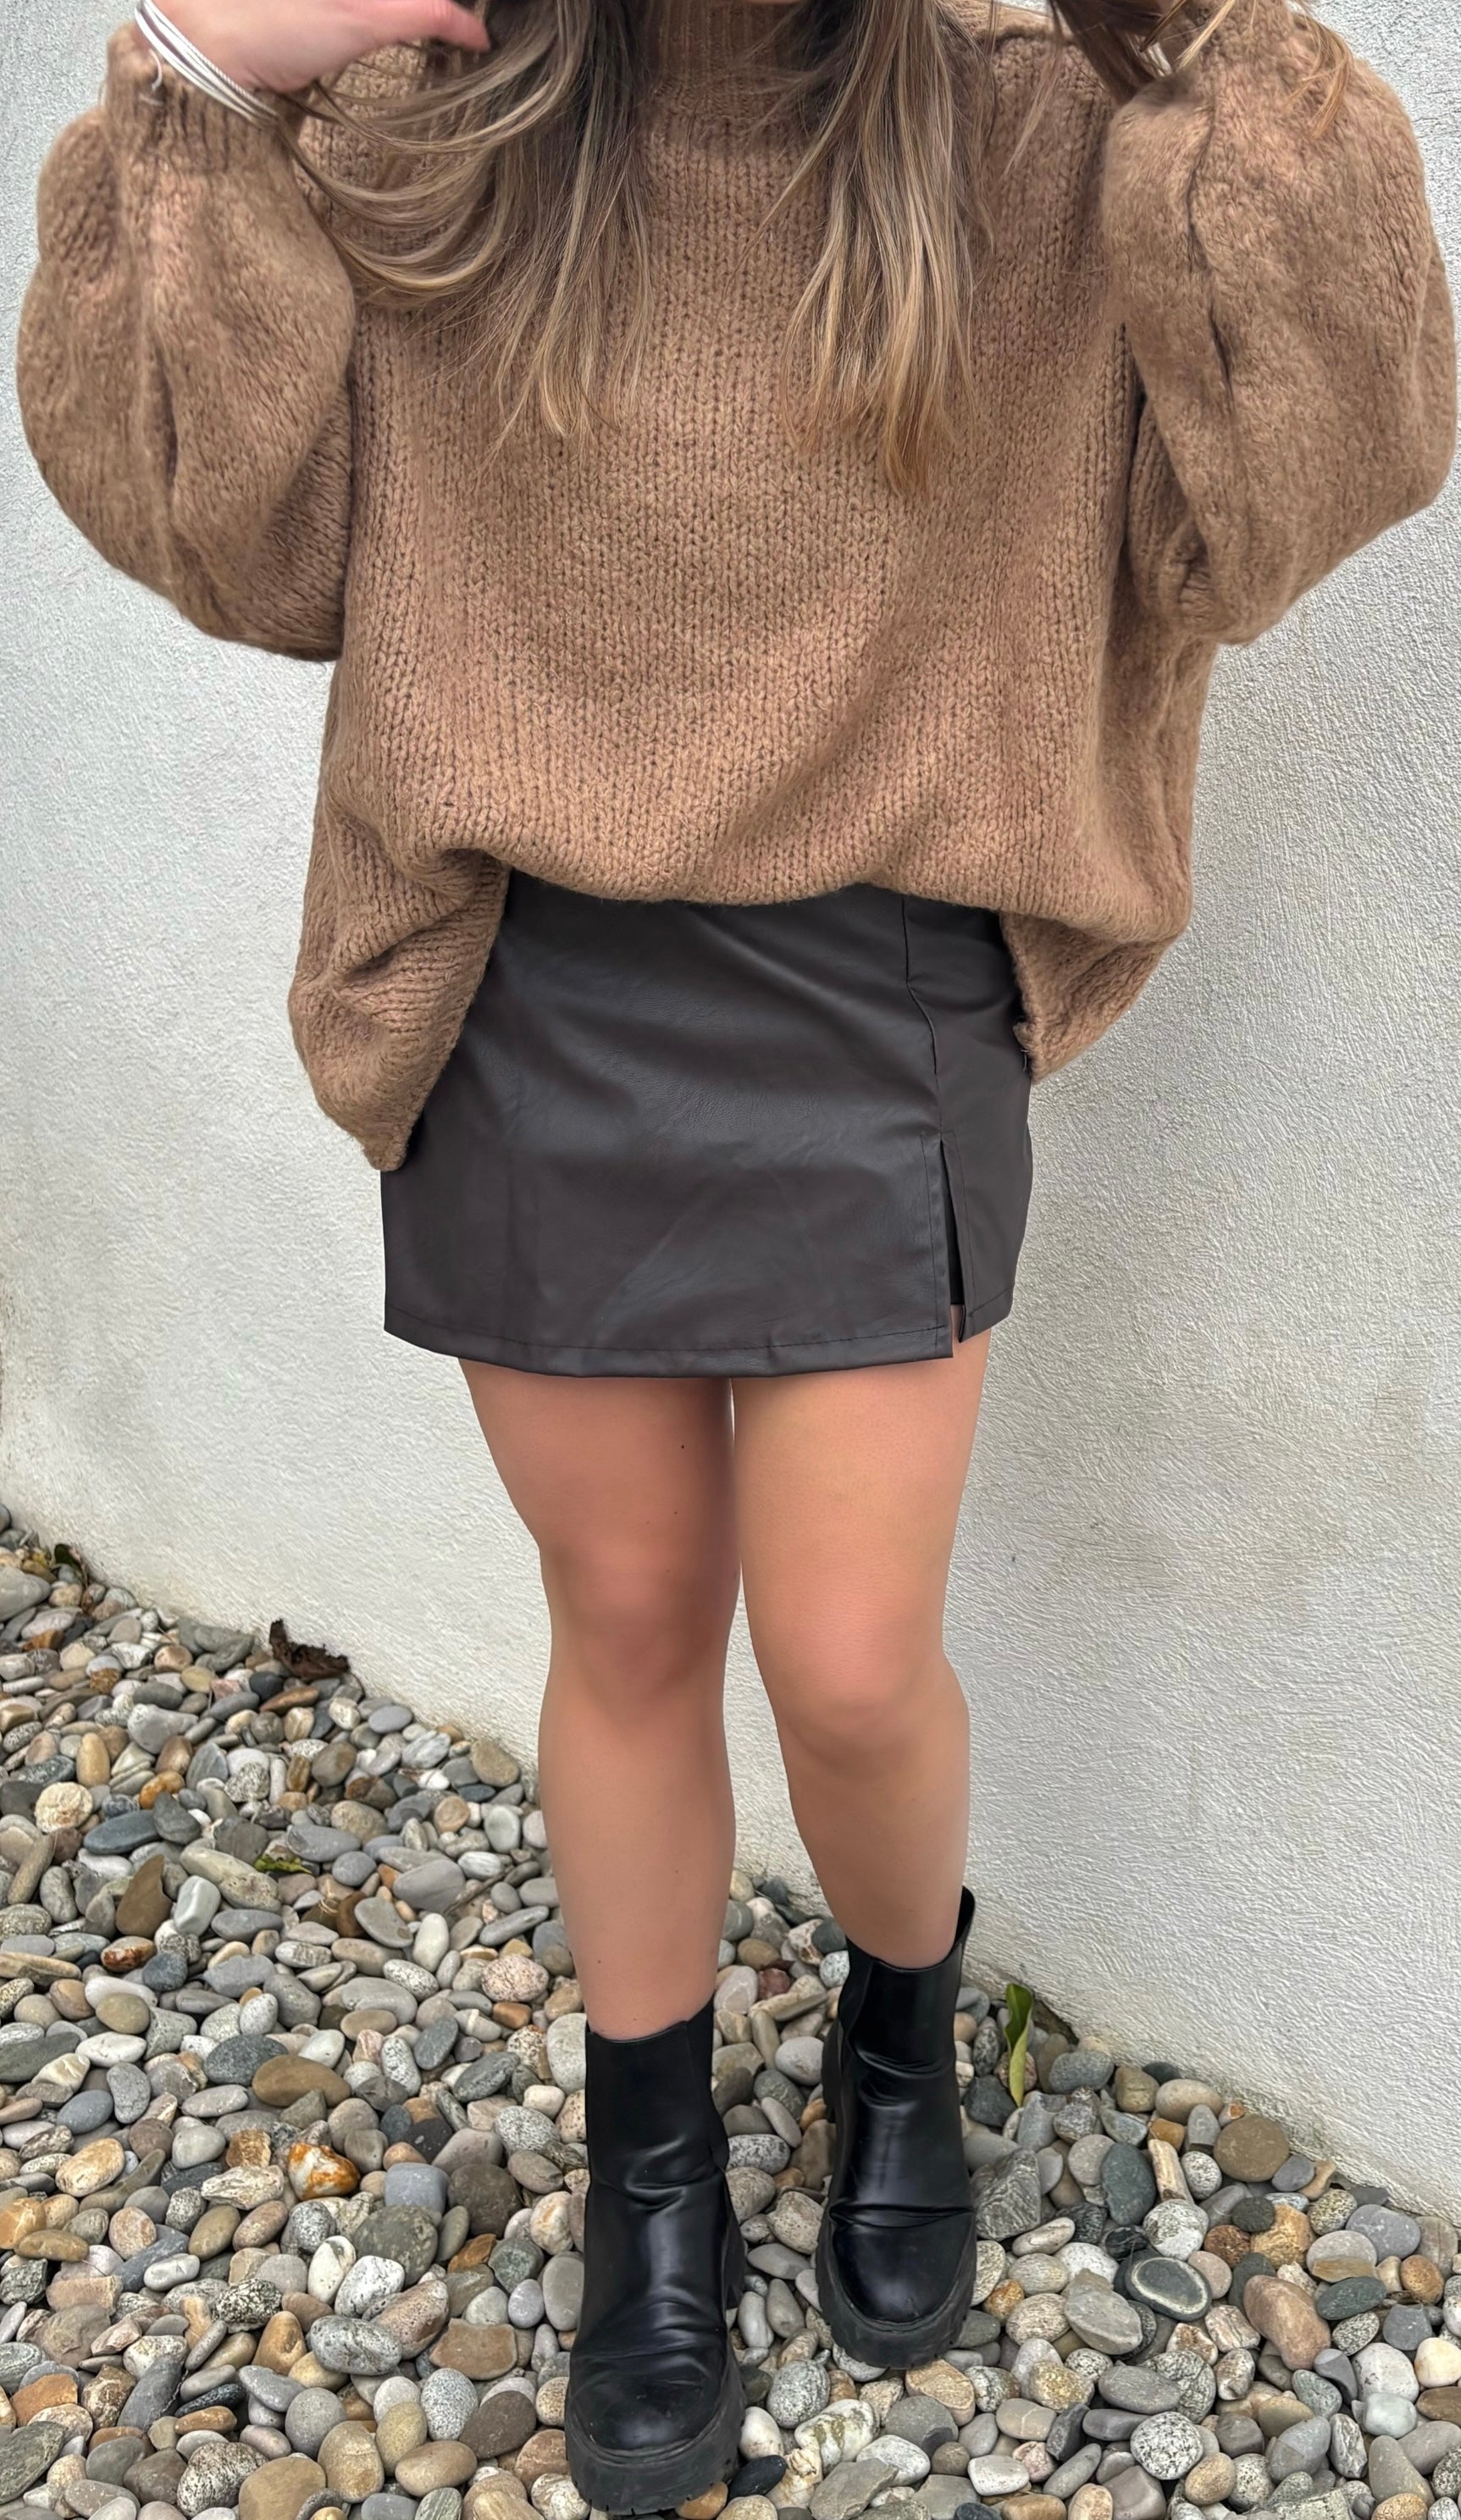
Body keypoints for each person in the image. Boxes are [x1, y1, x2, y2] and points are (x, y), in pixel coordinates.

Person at [16, 0, 1453, 2503]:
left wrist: (1207, 35)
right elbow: (204, 518)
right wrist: (197, 71)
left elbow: (1330, 460)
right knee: (632, 1619)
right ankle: (653, 2171)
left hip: (878, 986)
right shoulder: (432, 146)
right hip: (531, 987)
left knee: (855, 1659)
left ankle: (903, 2037)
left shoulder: (1033, 134)